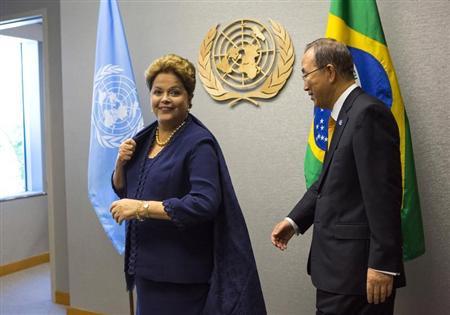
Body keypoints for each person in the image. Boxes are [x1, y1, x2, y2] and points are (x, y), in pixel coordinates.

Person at [110, 54, 266, 315]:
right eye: (158, 92)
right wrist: (119, 164)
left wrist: (141, 208)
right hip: (147, 270)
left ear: (189, 98)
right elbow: (126, 190)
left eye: (175, 92)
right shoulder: (146, 139)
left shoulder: (198, 143)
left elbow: (204, 204)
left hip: (180, 276)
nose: (165, 99)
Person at [271, 38, 405, 315]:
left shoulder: (367, 113)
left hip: (357, 275)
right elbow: (330, 179)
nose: (305, 85)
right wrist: (294, 221)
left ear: (330, 72)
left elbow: (384, 195)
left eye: (306, 74)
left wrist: (382, 264)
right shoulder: (346, 114)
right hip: (340, 273)